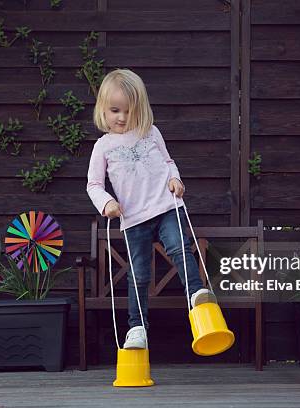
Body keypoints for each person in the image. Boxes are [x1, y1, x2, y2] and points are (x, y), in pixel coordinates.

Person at [86, 69, 216, 350]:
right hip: (133, 219)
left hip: (166, 206)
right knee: (139, 273)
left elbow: (168, 162)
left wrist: (175, 178)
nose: (121, 117)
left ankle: (196, 294)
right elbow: (93, 184)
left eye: (129, 111)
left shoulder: (150, 132)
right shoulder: (103, 146)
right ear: (103, 110)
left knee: (180, 247)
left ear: (140, 110)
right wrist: (106, 202)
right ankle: (137, 326)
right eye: (115, 110)